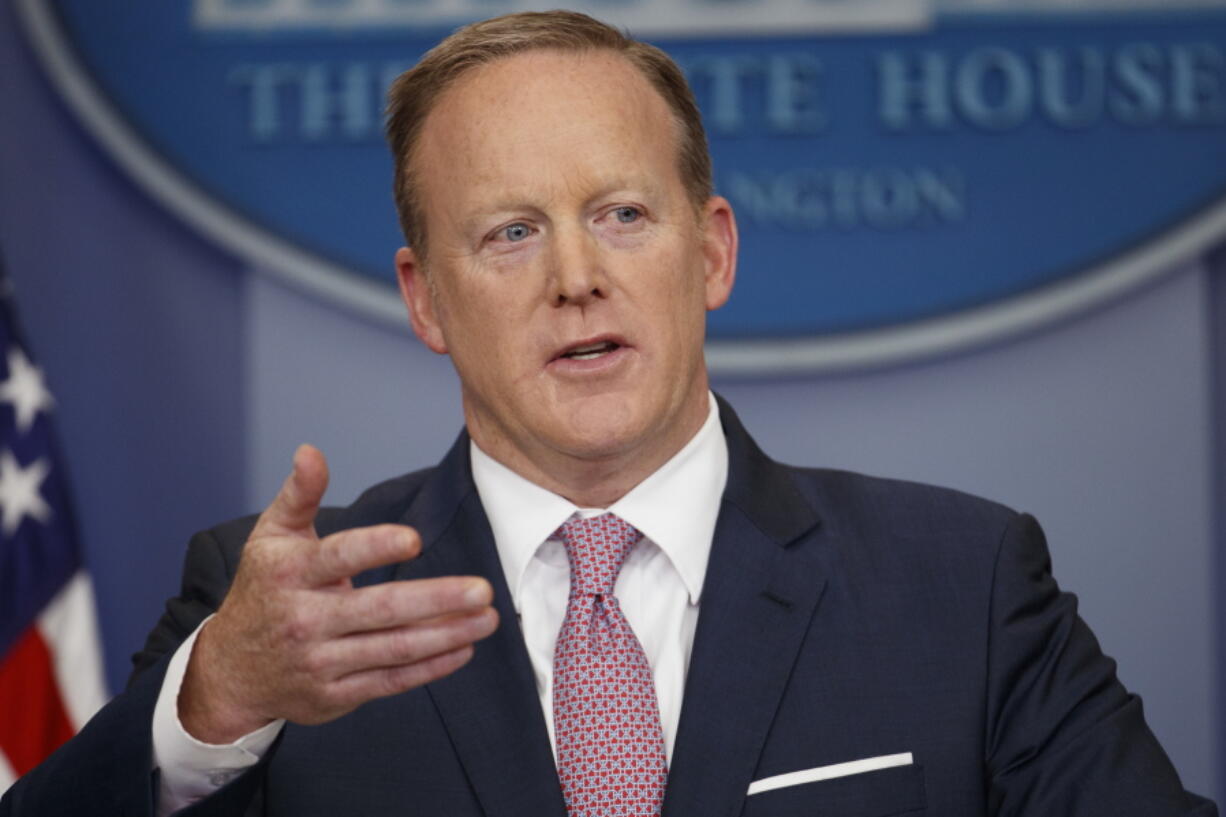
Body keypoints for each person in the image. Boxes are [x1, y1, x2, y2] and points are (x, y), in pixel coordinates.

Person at [2, 10, 1216, 817]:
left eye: (623, 215)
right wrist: (214, 703)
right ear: (424, 299)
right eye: (509, 231)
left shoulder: (961, 588)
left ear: (712, 253)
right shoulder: (285, 619)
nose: (575, 275)